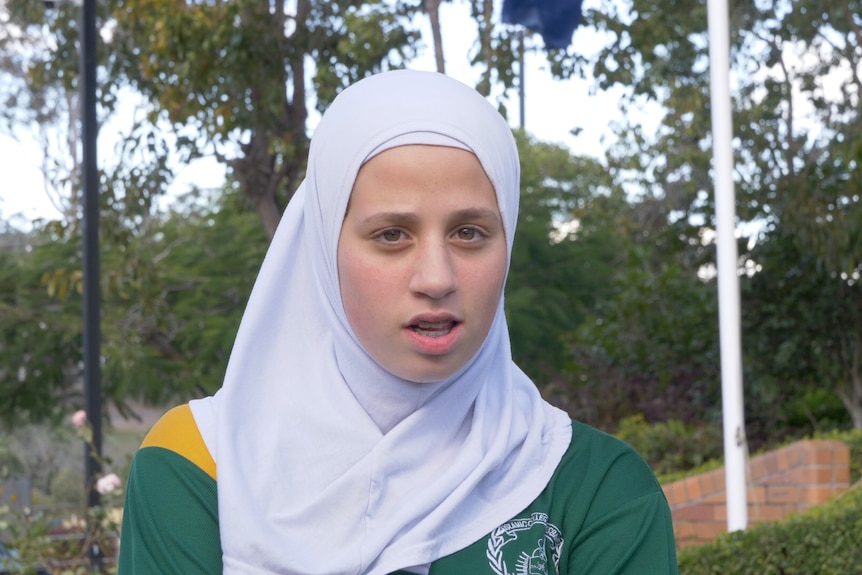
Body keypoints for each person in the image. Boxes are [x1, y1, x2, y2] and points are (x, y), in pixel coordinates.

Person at [118, 69, 678, 574]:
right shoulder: (198, 467)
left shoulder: (594, 488)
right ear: (322, 250)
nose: (436, 277)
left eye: (469, 233)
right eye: (391, 235)